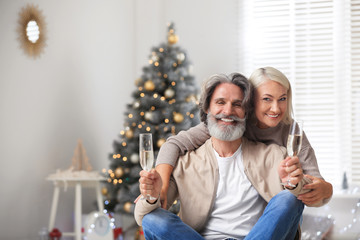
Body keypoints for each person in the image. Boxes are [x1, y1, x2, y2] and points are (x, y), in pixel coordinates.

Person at [135, 73, 311, 240]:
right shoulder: (185, 163)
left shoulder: (273, 155)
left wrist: (293, 184)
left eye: (237, 104)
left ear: (246, 112)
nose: (228, 111)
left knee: (289, 198)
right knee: (152, 219)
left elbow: (298, 198)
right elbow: (142, 216)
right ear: (207, 108)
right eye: (220, 102)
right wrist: (151, 196)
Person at [156, 67, 333, 209]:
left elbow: (314, 184)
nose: (276, 109)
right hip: (241, 207)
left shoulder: (291, 131)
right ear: (250, 100)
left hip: (272, 211)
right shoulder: (233, 122)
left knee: (287, 201)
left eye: (282, 99)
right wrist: (162, 187)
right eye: (267, 99)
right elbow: (174, 145)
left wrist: (326, 190)